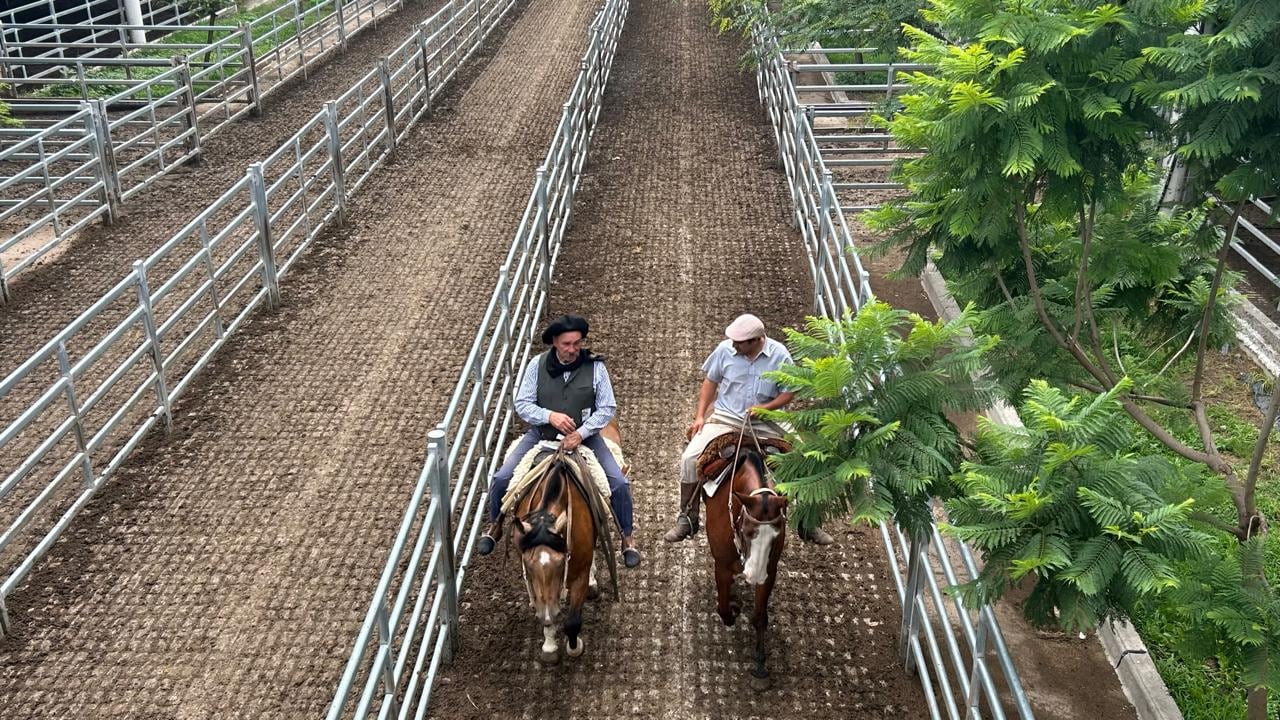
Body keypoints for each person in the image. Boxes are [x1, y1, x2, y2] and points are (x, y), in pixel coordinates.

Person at [477, 314, 641, 567]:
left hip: (585, 439)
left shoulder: (596, 367)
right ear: (554, 342)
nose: (573, 349)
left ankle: (627, 538)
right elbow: (522, 403)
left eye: (577, 343)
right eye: (567, 344)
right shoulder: (536, 365)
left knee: (619, 483)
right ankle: (495, 524)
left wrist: (582, 433)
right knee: (501, 478)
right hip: (542, 435)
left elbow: (607, 407)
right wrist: (549, 416)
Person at [665, 313, 835, 545]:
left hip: (767, 420)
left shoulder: (779, 355)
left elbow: (789, 391)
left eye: (740, 342)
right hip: (727, 417)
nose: (734, 345)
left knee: (808, 459)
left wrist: (767, 407)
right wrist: (700, 416)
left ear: (757, 340)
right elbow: (710, 382)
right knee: (689, 458)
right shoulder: (724, 350)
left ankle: (808, 522)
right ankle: (688, 518)